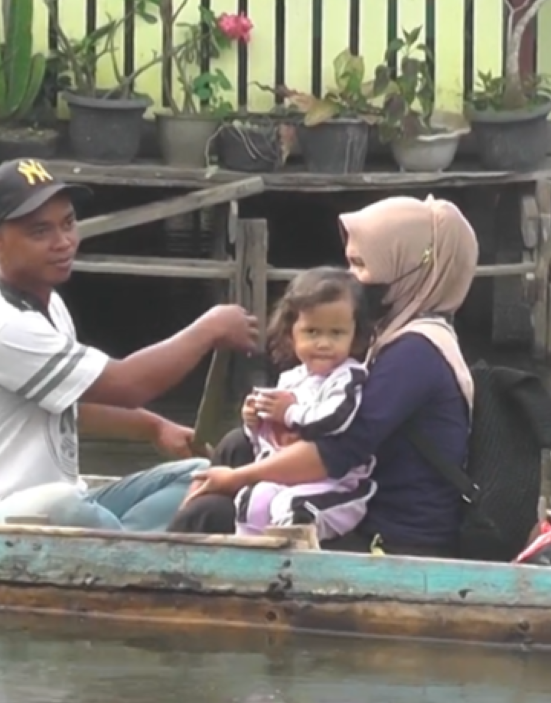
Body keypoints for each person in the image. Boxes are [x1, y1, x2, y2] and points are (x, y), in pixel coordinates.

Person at [0, 157, 258, 531]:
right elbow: (127, 385)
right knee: (64, 505)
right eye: (40, 232)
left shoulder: (49, 305)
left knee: (203, 475)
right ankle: (134, 554)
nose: (63, 242)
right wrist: (207, 328)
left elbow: (71, 404)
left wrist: (154, 428)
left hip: (55, 506)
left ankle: (129, 549)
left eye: (68, 224)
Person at [170, 195, 477, 557]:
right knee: (239, 444)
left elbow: (338, 452)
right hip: (356, 505)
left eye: (362, 266)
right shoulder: (392, 337)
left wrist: (236, 479)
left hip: (392, 536)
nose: (353, 280)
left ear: (406, 268)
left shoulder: (415, 352)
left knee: (208, 515)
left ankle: (158, 584)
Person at [235, 267, 374, 540]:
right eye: (312, 332)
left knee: (291, 507)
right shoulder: (290, 379)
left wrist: (288, 412)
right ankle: (246, 564)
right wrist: (255, 421)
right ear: (291, 334)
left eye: (336, 333)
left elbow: (334, 421)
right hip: (290, 478)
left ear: (354, 336)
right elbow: (271, 440)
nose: (323, 343)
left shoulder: (348, 375)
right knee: (251, 498)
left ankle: (291, 573)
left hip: (336, 486)